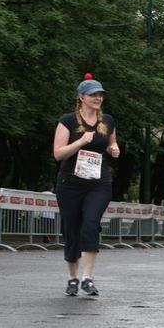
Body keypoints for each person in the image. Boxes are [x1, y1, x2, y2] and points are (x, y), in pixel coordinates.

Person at [52, 73, 119, 297]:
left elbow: (111, 143)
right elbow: (58, 154)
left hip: (98, 182)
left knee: (90, 224)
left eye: (100, 94)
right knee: (72, 228)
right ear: (81, 97)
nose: (98, 98)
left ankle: (87, 278)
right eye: (93, 94)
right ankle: (72, 277)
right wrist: (80, 142)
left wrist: (113, 149)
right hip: (70, 183)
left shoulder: (107, 121)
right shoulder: (68, 121)